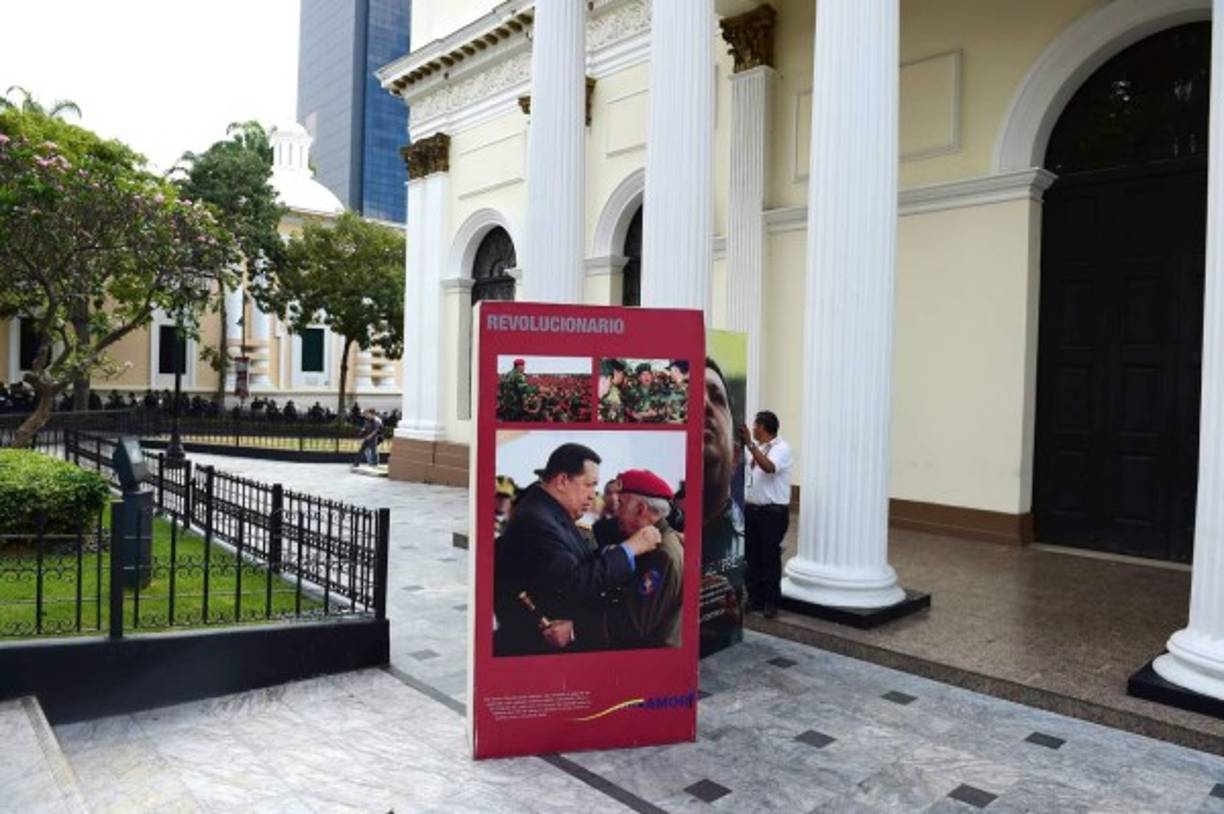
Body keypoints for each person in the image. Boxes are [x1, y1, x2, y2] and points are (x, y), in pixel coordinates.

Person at [493, 443, 661, 656]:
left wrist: (611, 552)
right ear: (563, 481)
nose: (593, 495)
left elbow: (575, 562)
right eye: (589, 485)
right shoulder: (538, 520)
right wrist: (629, 549)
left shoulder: (552, 512)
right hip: (538, 650)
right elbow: (573, 582)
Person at [602, 470, 684, 649]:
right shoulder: (658, 542)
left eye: (621, 504)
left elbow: (633, 625)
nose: (616, 512)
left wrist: (576, 628)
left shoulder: (661, 554)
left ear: (640, 509)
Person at [700, 357, 746, 656]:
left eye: (716, 397)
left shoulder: (739, 545)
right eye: (691, 395)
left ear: (736, 456)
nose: (703, 404)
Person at [738, 410, 793, 619]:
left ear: (763, 427)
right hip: (752, 510)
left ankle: (771, 601)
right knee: (752, 556)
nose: (752, 429)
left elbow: (769, 468)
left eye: (755, 425)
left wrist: (751, 446)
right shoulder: (758, 448)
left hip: (772, 513)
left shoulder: (781, 448)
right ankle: (755, 598)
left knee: (769, 557)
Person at [592, 478, 623, 548]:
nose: (613, 497)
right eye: (609, 493)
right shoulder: (598, 526)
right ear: (604, 497)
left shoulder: (629, 525)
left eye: (617, 493)